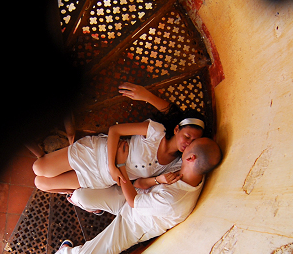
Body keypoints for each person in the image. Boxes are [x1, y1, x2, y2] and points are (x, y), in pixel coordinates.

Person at [43, 136, 222, 254]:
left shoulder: (173, 200)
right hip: (133, 196)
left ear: (191, 158)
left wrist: (120, 163)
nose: (184, 146)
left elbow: (134, 202)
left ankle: (62, 253)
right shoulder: (186, 169)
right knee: (81, 196)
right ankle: (98, 209)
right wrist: (155, 180)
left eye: (188, 147)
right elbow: (139, 185)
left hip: (133, 225)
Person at [32, 82, 206, 195]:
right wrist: (147, 96)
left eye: (193, 142)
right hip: (96, 154)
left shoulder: (174, 164)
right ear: (176, 129)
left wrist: (154, 179)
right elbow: (115, 130)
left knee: (41, 183)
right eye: (187, 136)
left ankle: (73, 193)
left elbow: (139, 183)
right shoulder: (156, 131)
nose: (188, 143)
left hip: (102, 178)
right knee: (38, 168)